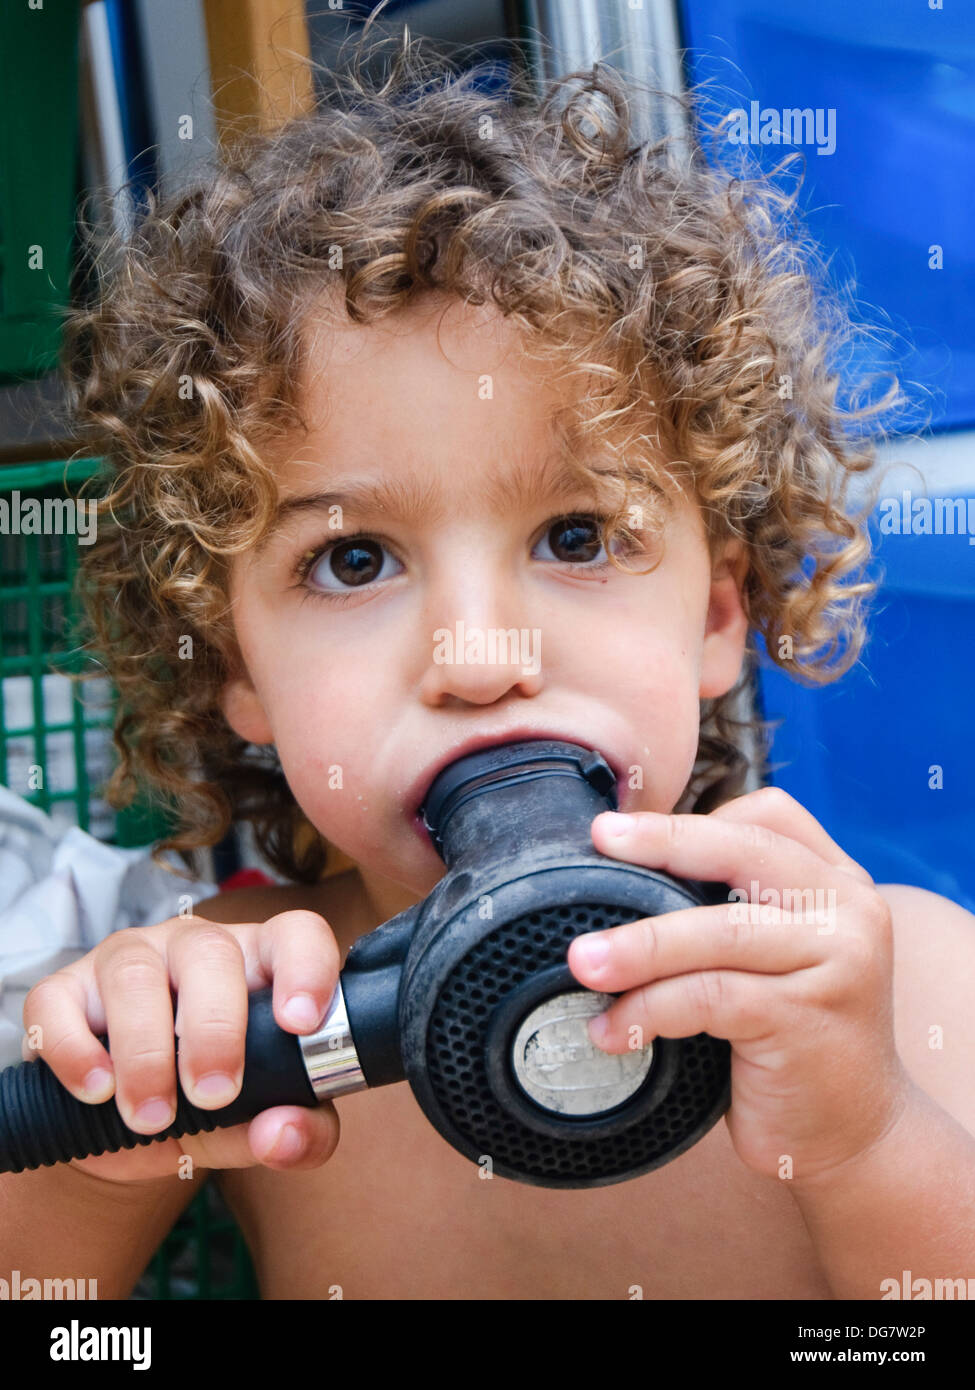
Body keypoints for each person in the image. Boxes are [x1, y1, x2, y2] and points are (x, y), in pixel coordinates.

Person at [3, 33, 974, 1301]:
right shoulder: (250, 993)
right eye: (352, 561)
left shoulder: (890, 983)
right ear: (235, 661)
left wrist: (864, 1136)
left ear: (718, 612)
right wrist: (84, 1160)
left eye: (576, 538)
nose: (478, 655)